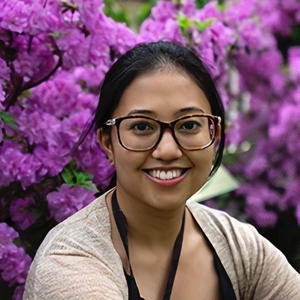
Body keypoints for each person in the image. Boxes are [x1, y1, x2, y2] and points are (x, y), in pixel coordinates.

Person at [23, 41, 300, 300]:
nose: (167, 151)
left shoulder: (238, 247)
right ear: (107, 142)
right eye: (142, 126)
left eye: (189, 125)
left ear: (214, 135)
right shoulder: (69, 264)